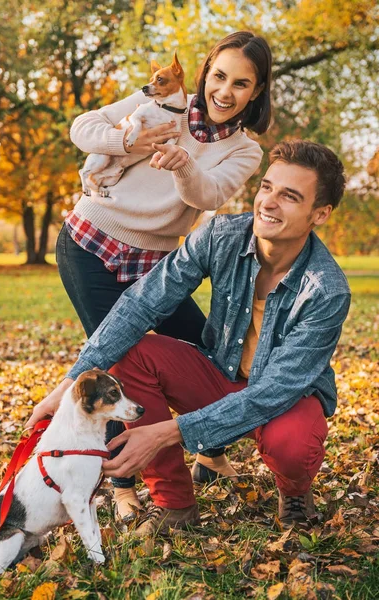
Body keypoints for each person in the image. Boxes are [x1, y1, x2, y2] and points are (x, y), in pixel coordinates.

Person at [27, 140, 351, 535]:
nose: (269, 202)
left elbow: (273, 392)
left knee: (294, 446)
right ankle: (175, 505)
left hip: (285, 399)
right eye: (267, 187)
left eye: (290, 196)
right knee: (131, 354)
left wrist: (166, 433)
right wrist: (71, 381)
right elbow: (141, 304)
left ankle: (295, 491)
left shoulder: (326, 289)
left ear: (320, 214)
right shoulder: (220, 235)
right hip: (221, 377)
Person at [55, 31, 272, 520]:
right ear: (205, 72)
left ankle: (208, 447)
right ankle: (125, 483)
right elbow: (83, 127)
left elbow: (208, 196)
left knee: (210, 355)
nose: (224, 91)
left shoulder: (245, 150)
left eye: (241, 84)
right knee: (117, 359)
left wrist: (181, 164)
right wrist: (125, 138)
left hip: (159, 262)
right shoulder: (163, 100)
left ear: (255, 92)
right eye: (219, 76)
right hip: (91, 242)